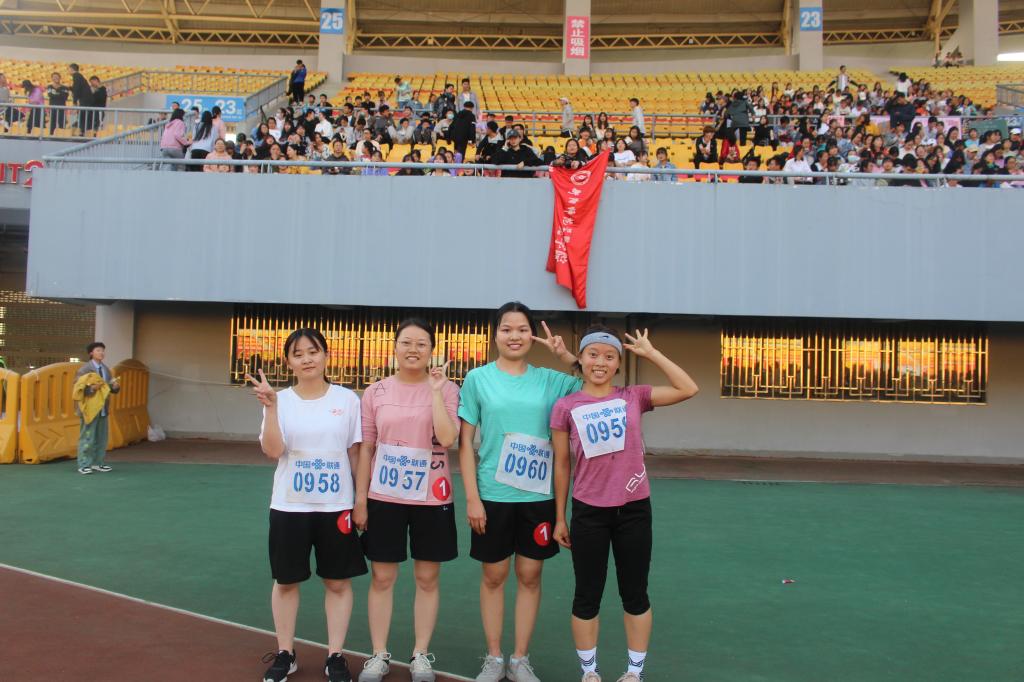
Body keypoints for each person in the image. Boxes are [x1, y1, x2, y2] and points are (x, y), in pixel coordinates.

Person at [551, 326, 698, 682]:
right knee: (587, 595)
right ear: (581, 358)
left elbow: (688, 388)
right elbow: (562, 465)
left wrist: (651, 353)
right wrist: (560, 517)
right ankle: (590, 672)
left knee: (635, 594)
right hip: (588, 512)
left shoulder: (634, 396)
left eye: (609, 356)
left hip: (634, 510)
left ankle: (634, 672)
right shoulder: (565, 406)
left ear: (618, 364)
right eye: (593, 354)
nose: (600, 362)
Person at [459, 303, 581, 682]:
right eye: (506, 329)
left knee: (530, 575)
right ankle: (494, 657)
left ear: (533, 335)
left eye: (523, 329)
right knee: (494, 576)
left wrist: (565, 356)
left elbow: (595, 379)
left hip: (537, 497)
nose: (514, 336)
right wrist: (473, 498)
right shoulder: (477, 379)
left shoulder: (551, 380)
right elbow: (465, 444)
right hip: (493, 496)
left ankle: (520, 658)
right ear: (495, 334)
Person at [247, 328, 367, 682]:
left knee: (338, 582)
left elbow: (355, 452)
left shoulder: (347, 400)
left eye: (313, 351)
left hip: (336, 507)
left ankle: (335, 656)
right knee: (286, 581)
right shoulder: (280, 400)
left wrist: (360, 500)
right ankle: (285, 653)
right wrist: (271, 408)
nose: (307, 359)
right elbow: (273, 450)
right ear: (289, 362)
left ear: (326, 356)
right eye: (298, 354)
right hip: (290, 507)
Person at [353, 319, 460, 682]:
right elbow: (367, 447)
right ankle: (378, 654)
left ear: (432, 350)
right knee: (382, 576)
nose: (413, 349)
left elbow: (448, 438)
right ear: (395, 346)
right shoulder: (376, 391)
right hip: (385, 496)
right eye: (406, 342)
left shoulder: (448, 389)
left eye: (421, 344)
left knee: (427, 578)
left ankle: (420, 655)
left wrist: (435, 392)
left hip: (432, 497)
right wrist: (361, 499)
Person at [73, 342, 121, 475]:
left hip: (103, 408)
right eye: (98, 350)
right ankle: (84, 464)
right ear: (91, 353)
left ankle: (98, 463)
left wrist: (115, 387)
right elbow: (77, 387)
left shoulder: (106, 369)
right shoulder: (84, 369)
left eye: (103, 350)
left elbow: (108, 387)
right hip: (89, 409)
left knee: (101, 438)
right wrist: (91, 388)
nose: (102, 353)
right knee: (87, 437)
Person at [69, 63, 92, 136]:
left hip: (84, 100)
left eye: (69, 69)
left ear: (71, 69)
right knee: (82, 116)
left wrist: (74, 101)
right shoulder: (80, 77)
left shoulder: (76, 76)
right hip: (85, 100)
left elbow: (77, 89)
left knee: (81, 116)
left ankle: (81, 131)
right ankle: (80, 131)